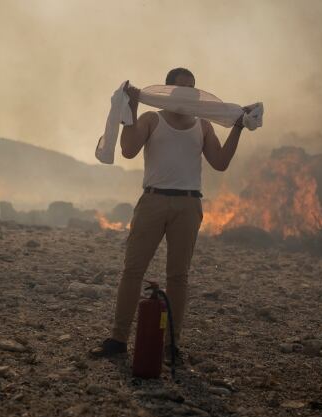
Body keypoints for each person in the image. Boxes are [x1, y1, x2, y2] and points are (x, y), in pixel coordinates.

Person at [90, 67, 249, 361]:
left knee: (178, 277)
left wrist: (238, 127)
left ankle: (170, 345)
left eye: (191, 87)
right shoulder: (153, 119)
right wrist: (133, 106)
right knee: (133, 271)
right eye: (180, 88)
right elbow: (127, 150)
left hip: (189, 205)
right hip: (153, 200)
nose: (186, 93)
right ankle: (118, 339)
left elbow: (221, 162)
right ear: (169, 91)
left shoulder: (202, 126)